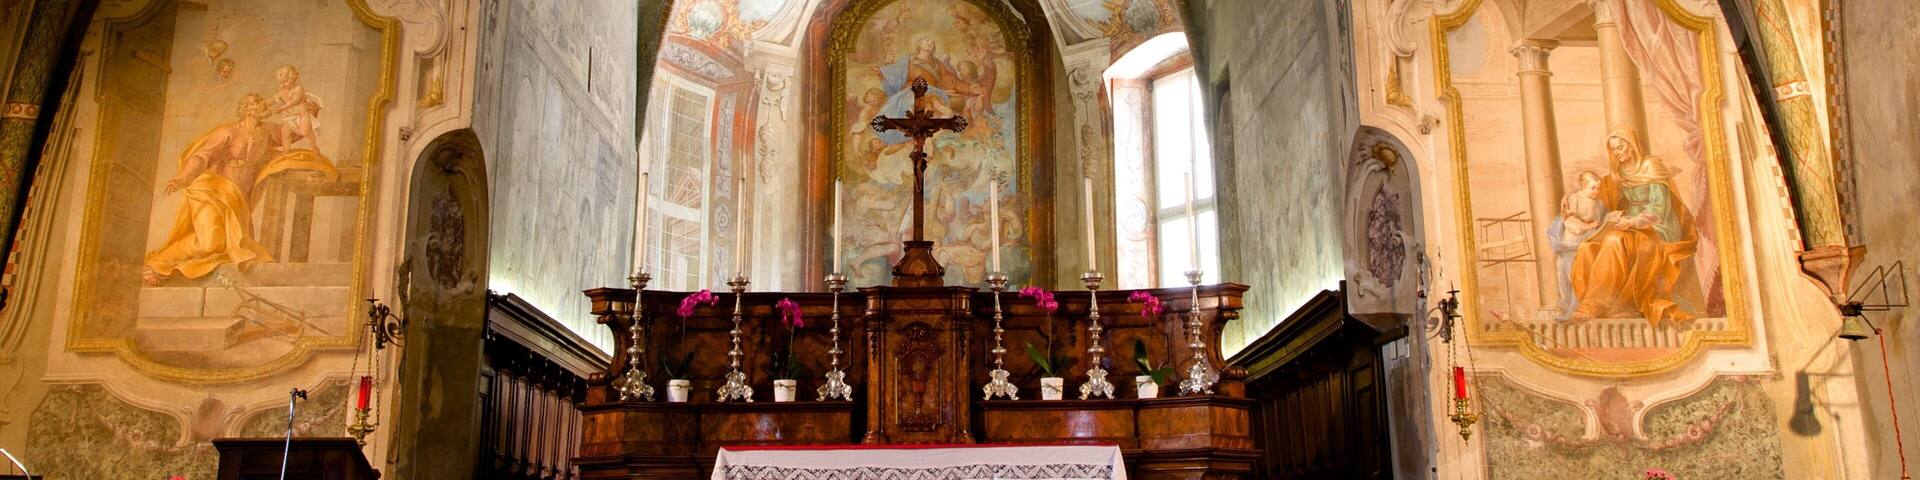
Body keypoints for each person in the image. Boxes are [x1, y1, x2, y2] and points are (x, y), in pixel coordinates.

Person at [143, 94, 338, 286]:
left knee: (224, 244)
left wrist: (310, 114)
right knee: (210, 243)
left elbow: (294, 133)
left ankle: (173, 264)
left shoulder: (268, 131)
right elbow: (202, 156)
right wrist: (185, 177)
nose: (262, 104)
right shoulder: (228, 132)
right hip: (212, 190)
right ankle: (158, 264)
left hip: (238, 197)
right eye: (256, 102)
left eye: (262, 101)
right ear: (245, 110)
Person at [1568, 131, 1705, 325]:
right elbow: (1616, 202)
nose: (1617, 152)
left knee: (1615, 240)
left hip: (1658, 225)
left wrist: (1634, 221)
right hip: (1631, 222)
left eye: (1620, 147)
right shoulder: (1620, 172)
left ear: (1631, 144)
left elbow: (1660, 207)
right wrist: (1613, 217)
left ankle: (1594, 304)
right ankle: (1613, 303)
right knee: (1588, 247)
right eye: (1613, 149)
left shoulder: (1650, 165)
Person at [1548, 170, 1606, 319]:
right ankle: (1566, 306)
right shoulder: (1574, 199)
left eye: (1598, 188)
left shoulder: (1599, 203)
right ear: (1583, 186)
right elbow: (1569, 220)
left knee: (1580, 272)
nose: (1596, 191)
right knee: (1566, 272)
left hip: (1588, 240)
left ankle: (1579, 307)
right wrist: (1587, 227)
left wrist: (1599, 226)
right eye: (1592, 188)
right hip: (1572, 239)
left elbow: (1600, 221)